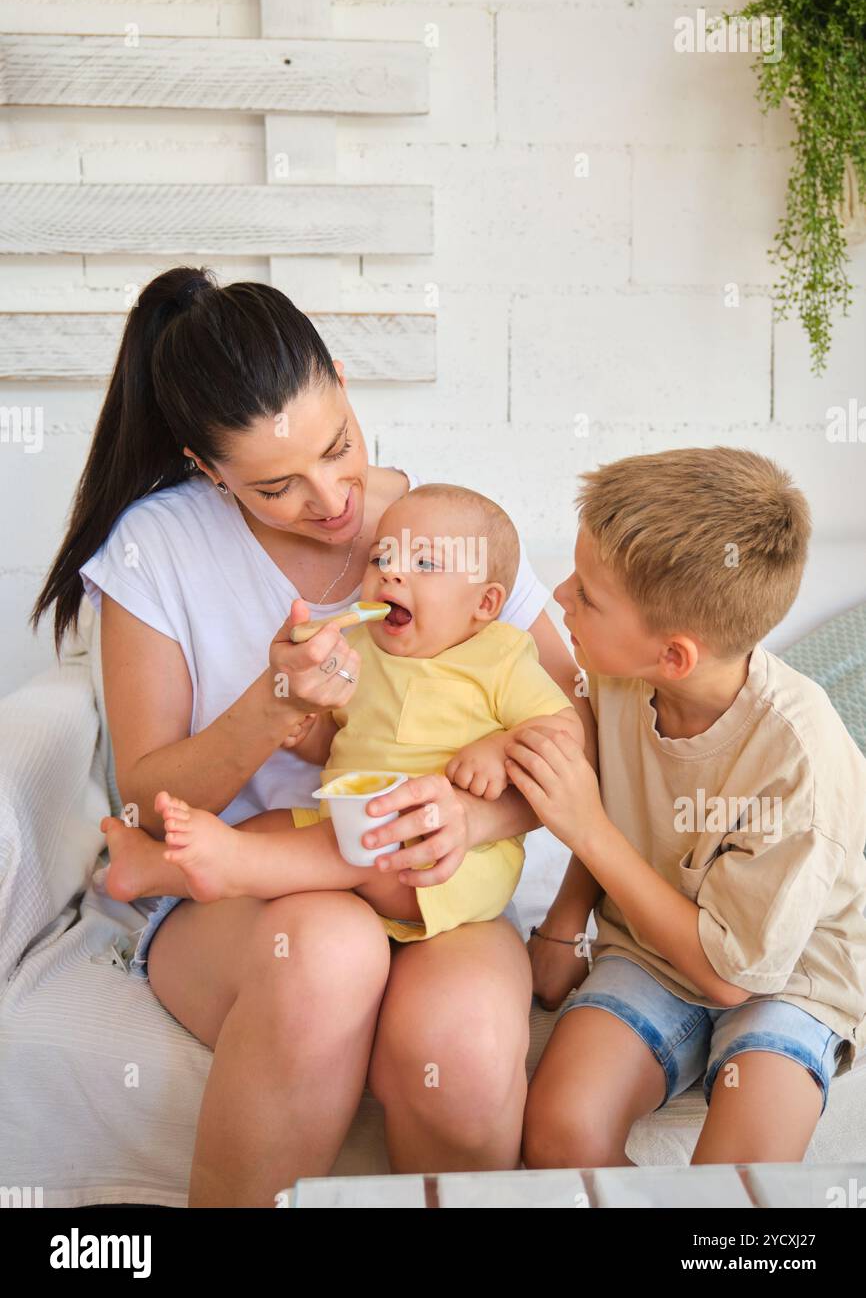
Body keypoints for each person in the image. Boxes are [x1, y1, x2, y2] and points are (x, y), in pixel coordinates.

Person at [32, 265, 594, 1206]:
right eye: (276, 486)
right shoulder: (156, 548)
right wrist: (270, 706)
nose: (333, 499)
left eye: (340, 447)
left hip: (434, 885)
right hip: (242, 896)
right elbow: (144, 800)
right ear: (210, 471)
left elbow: (570, 723)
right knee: (331, 953)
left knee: (456, 1052)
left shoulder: (445, 529)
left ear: (341, 375)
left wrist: (467, 820)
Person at [509, 447, 866, 1167]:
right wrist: (563, 925)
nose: (560, 597)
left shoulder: (800, 758)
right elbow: (617, 802)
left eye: (588, 594)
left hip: (790, 969)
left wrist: (585, 827)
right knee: (560, 1131)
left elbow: (732, 975)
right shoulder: (615, 678)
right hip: (649, 947)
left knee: (737, 1183)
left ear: (674, 655)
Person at [105, 483, 578, 938]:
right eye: (381, 558)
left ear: (486, 602)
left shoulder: (500, 655)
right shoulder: (361, 650)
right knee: (270, 828)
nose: (392, 573)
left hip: (445, 857)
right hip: (350, 826)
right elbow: (340, 739)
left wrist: (500, 749)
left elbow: (565, 732)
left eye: (425, 563)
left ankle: (233, 869)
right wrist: (305, 730)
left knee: (346, 853)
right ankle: (153, 868)